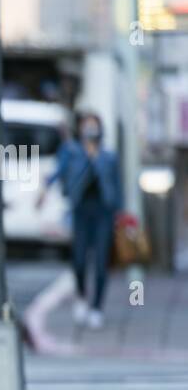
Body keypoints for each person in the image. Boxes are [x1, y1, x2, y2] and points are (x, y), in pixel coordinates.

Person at [40, 112, 122, 329]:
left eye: (94, 126)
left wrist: (121, 215)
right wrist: (43, 191)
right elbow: (58, 172)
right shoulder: (72, 151)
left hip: (103, 212)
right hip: (81, 211)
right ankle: (82, 297)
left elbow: (117, 187)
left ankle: (96, 308)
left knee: (101, 262)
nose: (91, 130)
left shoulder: (108, 156)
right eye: (87, 126)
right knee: (79, 260)